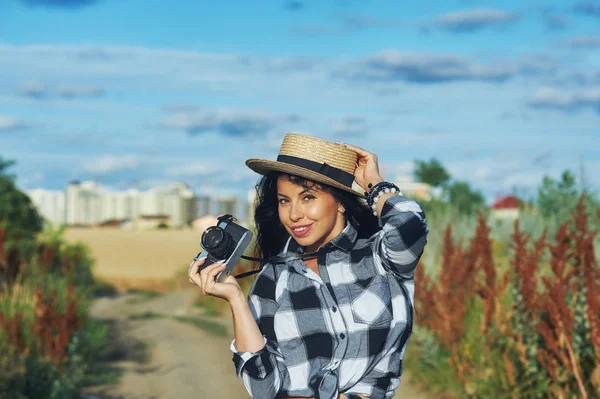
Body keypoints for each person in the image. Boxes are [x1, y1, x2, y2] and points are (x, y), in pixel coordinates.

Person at [188, 133, 428, 399]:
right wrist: (235, 299)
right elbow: (263, 388)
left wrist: (375, 184)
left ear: (339, 203)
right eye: (284, 200)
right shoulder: (273, 278)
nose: (293, 214)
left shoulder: (380, 257)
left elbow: (410, 226)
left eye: (308, 197)